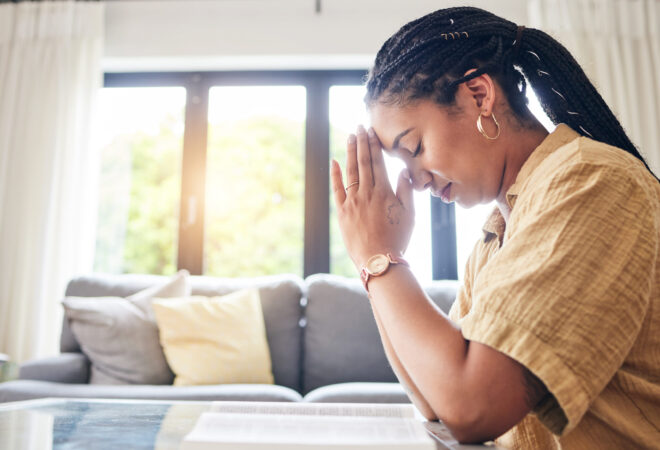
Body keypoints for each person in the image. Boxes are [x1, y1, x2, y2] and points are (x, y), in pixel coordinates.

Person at [330, 6, 660, 449]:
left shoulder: (591, 180)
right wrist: (373, 261)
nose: (415, 179)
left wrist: (381, 258)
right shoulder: (497, 233)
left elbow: (471, 407)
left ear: (480, 96)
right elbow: (435, 401)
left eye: (416, 147)